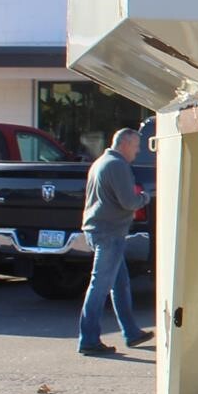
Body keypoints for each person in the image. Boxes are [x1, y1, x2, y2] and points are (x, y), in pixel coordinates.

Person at [77, 127, 152, 356]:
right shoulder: (118, 165)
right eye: (136, 146)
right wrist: (145, 197)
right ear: (125, 144)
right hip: (109, 234)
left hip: (100, 231)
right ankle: (88, 340)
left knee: (120, 284)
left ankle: (131, 332)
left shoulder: (101, 162)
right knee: (99, 287)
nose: (138, 152)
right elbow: (129, 201)